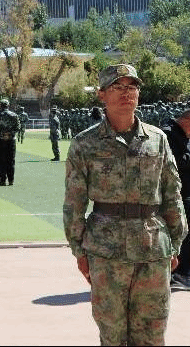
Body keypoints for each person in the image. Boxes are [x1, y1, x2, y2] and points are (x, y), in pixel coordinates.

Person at [63, 64, 187, 345]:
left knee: (153, 334)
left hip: (153, 250)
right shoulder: (85, 143)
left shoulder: (157, 139)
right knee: (112, 335)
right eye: (117, 87)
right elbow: (74, 202)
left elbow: (172, 193)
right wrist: (79, 250)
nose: (126, 93)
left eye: (131, 87)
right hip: (106, 252)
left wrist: (175, 243)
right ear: (102, 95)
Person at [162, 107, 190, 289]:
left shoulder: (183, 136)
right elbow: (171, 166)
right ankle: (178, 274)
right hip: (174, 196)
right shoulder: (168, 135)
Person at [0, 99, 20, 186]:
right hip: (11, 140)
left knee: (1, 161)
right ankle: (11, 180)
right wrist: (9, 134)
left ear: (1, 106)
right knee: (11, 160)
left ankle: (2, 180)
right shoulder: (14, 115)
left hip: (0, 140)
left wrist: (2, 134)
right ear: (8, 106)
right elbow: (17, 127)